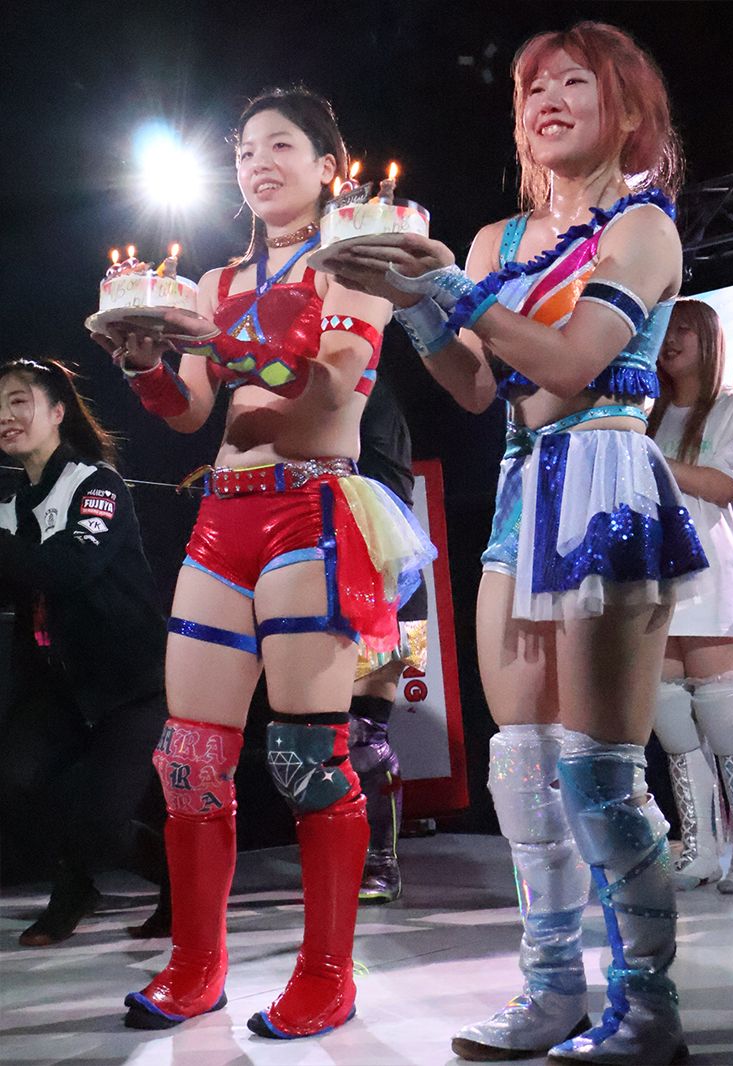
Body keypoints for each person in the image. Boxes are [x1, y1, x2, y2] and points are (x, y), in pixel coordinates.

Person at [324, 21, 707, 1065]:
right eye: (532, 87)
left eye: (573, 82)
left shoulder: (644, 227)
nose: (546, 100)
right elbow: (473, 384)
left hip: (607, 482)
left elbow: (573, 364)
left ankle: (649, 1009)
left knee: (598, 775)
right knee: (521, 768)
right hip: (519, 491)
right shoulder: (496, 239)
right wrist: (412, 305)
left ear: (625, 110)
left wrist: (447, 290)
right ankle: (550, 990)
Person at [91, 86, 434, 1038]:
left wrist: (228, 348)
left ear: (328, 167)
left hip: (311, 512)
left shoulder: (354, 265)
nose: (257, 163)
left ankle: (328, 976)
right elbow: (191, 414)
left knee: (308, 756)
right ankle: (194, 967)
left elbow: (328, 397)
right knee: (188, 761)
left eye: (279, 146)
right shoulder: (211, 281)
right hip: (222, 519)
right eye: (244, 150)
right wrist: (146, 364)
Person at [0, 358, 167, 945]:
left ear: (57, 412)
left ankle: (174, 879)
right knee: (15, 784)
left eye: (18, 401)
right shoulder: (9, 503)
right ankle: (76, 882)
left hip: (130, 684)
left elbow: (69, 568)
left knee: (104, 820)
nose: (5, 416)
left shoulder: (97, 484)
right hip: (56, 686)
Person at [648, 300, 733, 894]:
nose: (670, 341)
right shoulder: (648, 415)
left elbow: (724, 486)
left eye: (684, 330)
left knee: (725, 721)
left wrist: (648, 456)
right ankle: (699, 849)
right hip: (658, 583)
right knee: (673, 723)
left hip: (718, 580)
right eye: (665, 330)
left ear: (709, 339)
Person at [349, 358, 428, 904]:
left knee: (362, 734)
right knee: (314, 738)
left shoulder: (367, 393)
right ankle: (337, 856)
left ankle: (380, 862)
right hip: (317, 575)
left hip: (385, 577)